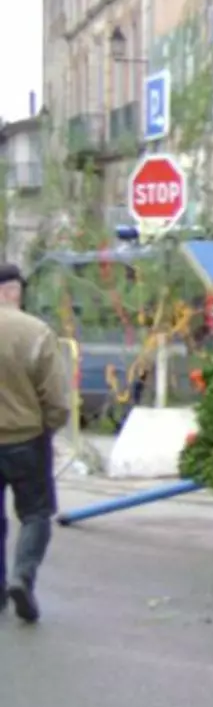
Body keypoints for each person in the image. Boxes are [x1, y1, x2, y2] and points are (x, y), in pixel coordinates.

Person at [0, 262, 70, 623]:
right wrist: (50, 428)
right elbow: (55, 397)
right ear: (14, 291)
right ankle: (22, 577)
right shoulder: (36, 332)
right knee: (36, 514)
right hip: (26, 439)